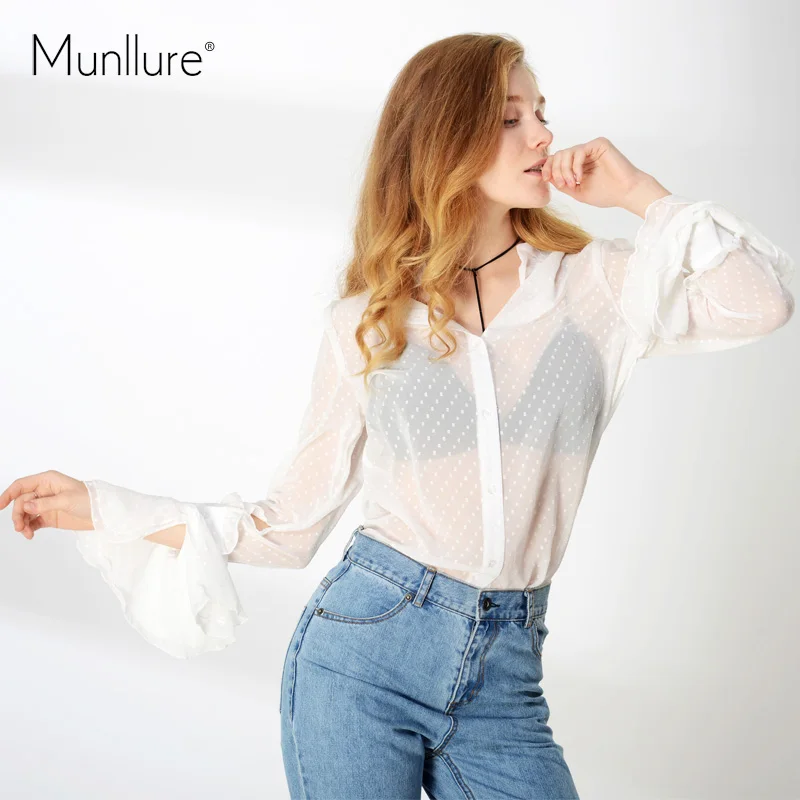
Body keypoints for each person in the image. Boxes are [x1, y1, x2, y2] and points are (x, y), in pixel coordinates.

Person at [1, 33, 794, 800]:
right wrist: (105, 507)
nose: (543, 135)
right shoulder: (367, 322)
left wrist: (639, 193)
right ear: (447, 137)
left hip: (507, 679)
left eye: (541, 113)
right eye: (510, 117)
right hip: (362, 655)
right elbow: (289, 527)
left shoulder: (596, 288)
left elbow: (762, 303)